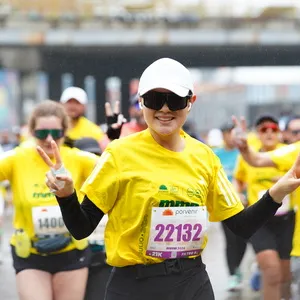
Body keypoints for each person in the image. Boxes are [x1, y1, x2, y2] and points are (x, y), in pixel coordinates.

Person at [38, 58, 300, 300]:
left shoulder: (204, 157)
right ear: (141, 102)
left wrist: (278, 191)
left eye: (174, 100)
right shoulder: (118, 153)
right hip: (133, 286)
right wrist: (66, 196)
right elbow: (82, 228)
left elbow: (242, 226)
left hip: (191, 282)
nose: (164, 109)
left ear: (190, 101)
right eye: (154, 99)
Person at [0, 100, 98, 300]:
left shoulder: (79, 159)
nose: (50, 139)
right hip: (30, 254)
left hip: (71, 252)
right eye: (42, 133)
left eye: (56, 133)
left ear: (65, 130)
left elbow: (117, 174)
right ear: (31, 131)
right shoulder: (17, 159)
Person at [232, 115, 300, 297]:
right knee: (272, 271)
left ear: (280, 133)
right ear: (257, 134)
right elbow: (245, 171)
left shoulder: (288, 152)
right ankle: (262, 269)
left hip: (287, 220)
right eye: (263, 129)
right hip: (260, 221)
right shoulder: (249, 157)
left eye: (273, 129)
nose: (269, 132)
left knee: (285, 276)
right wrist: (236, 193)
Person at [73, 137, 112, 300]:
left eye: (96, 156)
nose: (92, 163)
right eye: (87, 157)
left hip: (103, 260)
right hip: (76, 257)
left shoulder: (107, 186)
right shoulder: (70, 187)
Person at [214, 121, 247, 292]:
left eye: (234, 133)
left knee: (242, 240)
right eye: (228, 133)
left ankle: (237, 268)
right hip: (224, 205)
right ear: (224, 135)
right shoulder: (215, 154)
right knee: (230, 240)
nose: (231, 136)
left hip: (245, 204)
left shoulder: (243, 153)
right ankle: (233, 274)